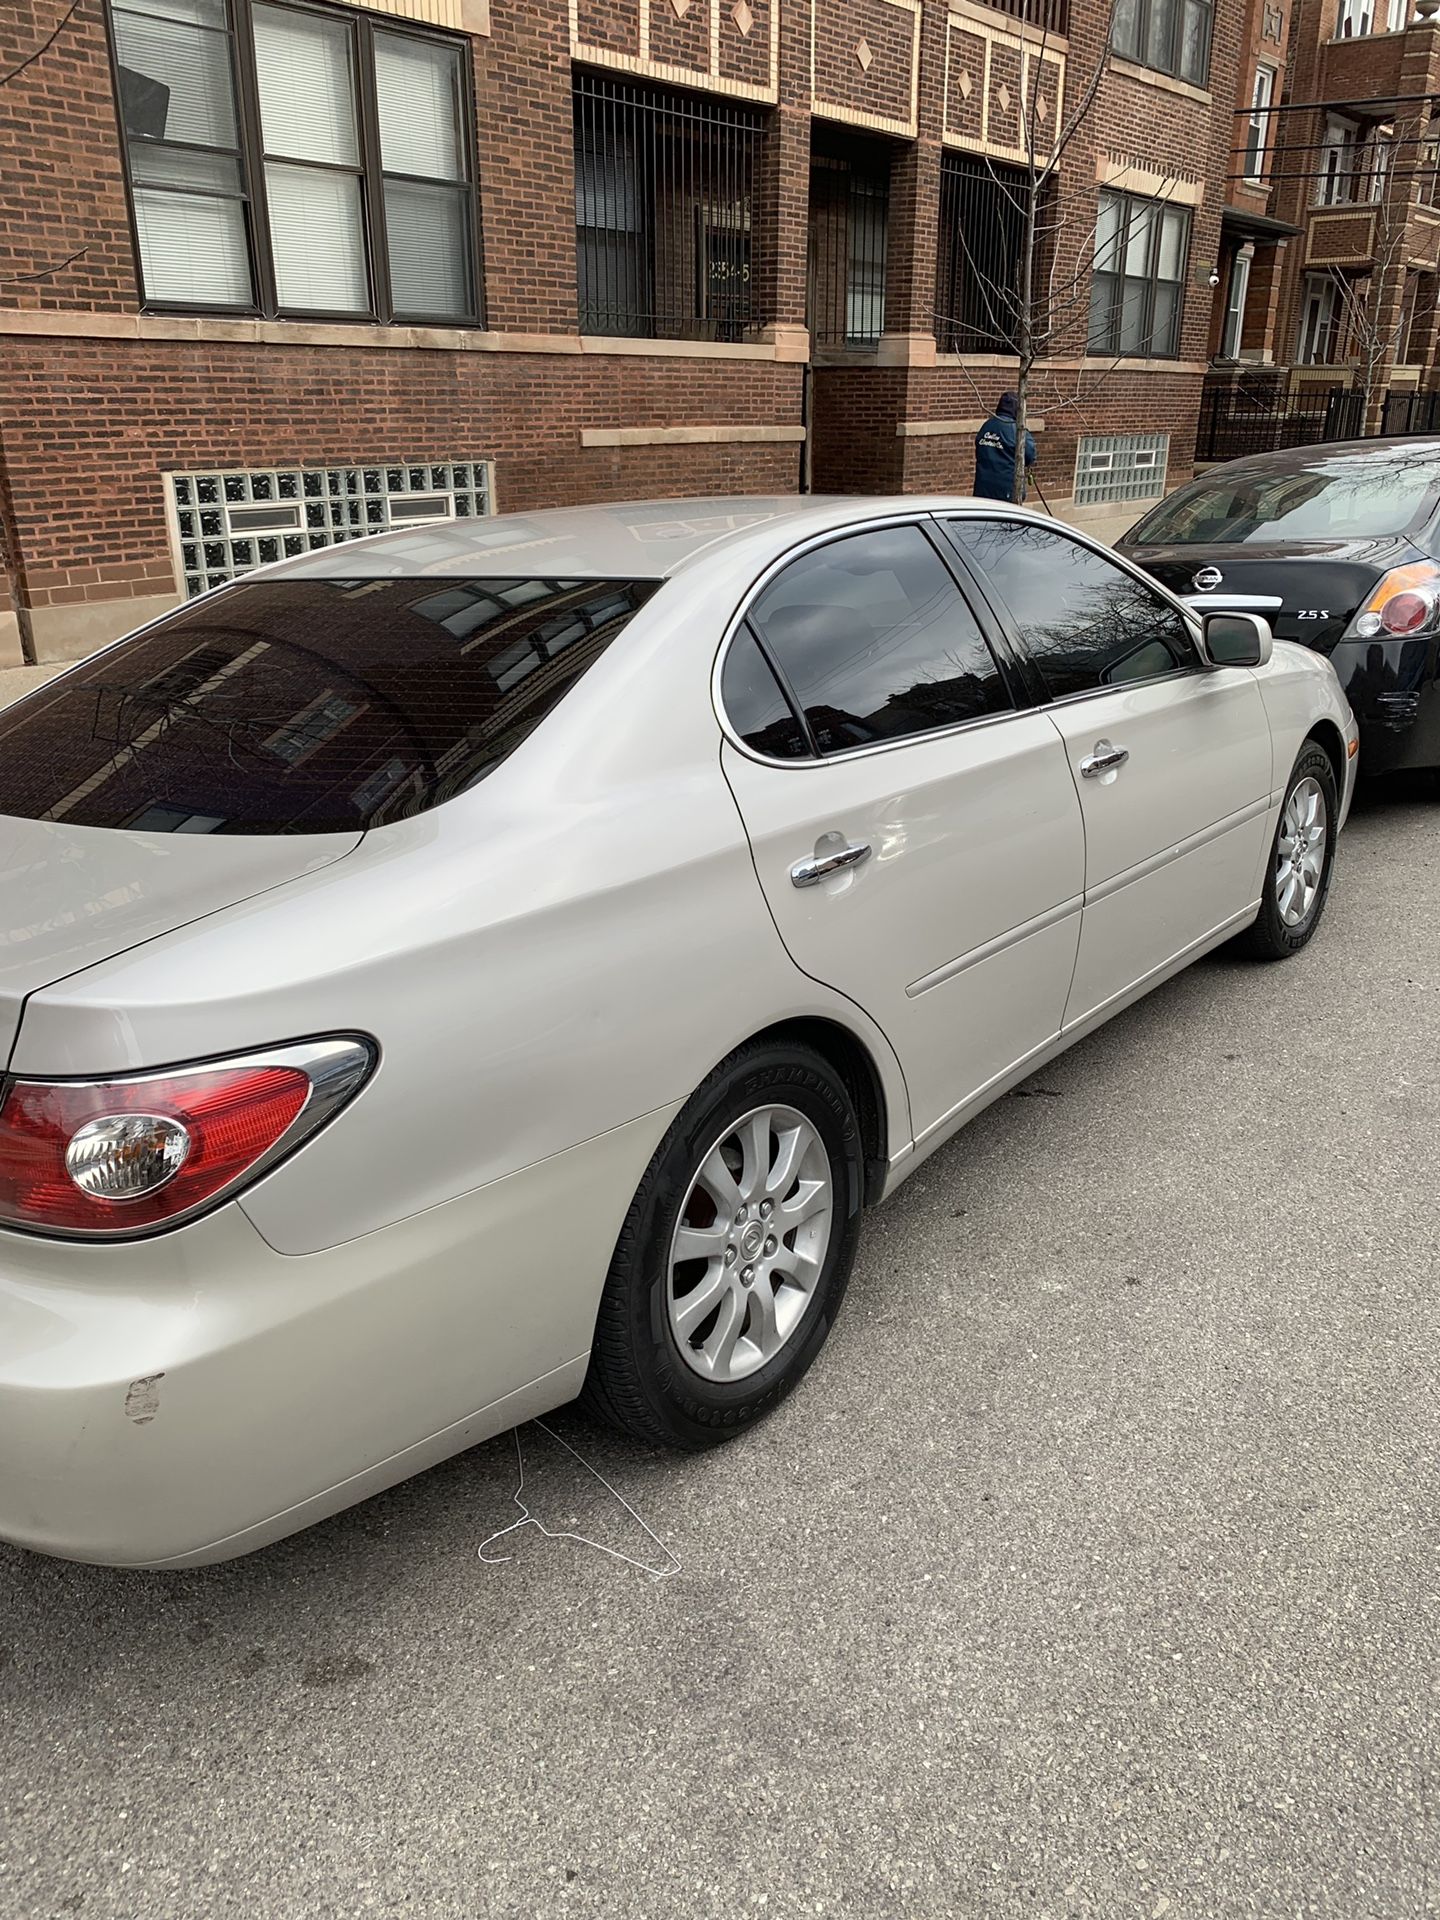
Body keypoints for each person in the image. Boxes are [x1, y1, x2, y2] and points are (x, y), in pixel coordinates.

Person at [973, 391, 1037, 503]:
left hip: (982, 490)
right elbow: (1029, 456)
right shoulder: (1018, 432)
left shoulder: (987, 426)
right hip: (1007, 493)